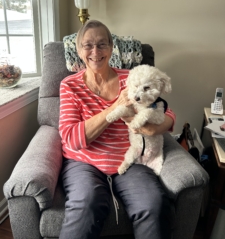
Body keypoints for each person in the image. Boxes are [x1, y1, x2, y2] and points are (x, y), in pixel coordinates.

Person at [59, 20, 176, 239]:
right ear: (78, 50)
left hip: (130, 159)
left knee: (152, 204)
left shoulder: (131, 78)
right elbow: (70, 139)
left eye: (102, 44)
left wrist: (156, 128)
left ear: (112, 48)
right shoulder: (69, 85)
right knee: (85, 205)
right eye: (88, 45)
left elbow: (166, 111)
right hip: (84, 163)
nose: (95, 51)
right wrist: (114, 108)